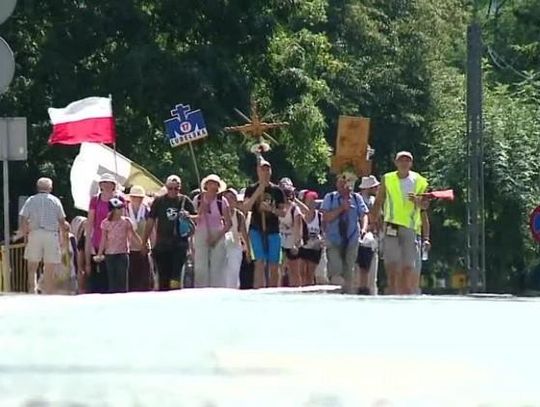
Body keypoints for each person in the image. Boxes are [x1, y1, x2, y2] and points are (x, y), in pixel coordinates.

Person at [371, 151, 428, 295]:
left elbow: (425, 206)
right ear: (396, 163)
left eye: (407, 160)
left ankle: (404, 293)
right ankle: (392, 291)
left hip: (410, 227)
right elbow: (379, 201)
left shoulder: (420, 181)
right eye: (401, 160)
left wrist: (418, 201)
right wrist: (373, 221)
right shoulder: (388, 178)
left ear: (411, 163)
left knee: (408, 266)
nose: (404, 163)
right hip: (391, 225)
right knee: (392, 264)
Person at [141, 175, 196, 291]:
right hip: (162, 245)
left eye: (176, 189)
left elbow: (197, 218)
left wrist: (188, 216)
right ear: (166, 187)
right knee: (163, 278)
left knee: (175, 277)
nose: (173, 191)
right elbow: (150, 221)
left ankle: (174, 298)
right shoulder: (159, 201)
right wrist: (144, 242)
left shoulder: (184, 200)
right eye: (171, 188)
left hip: (179, 245)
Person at [321, 171, 369, 294]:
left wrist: (363, 229)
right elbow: (326, 217)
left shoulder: (357, 198)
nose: (344, 184)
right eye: (341, 181)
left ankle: (347, 295)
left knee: (349, 270)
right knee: (336, 269)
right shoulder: (330, 198)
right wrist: (341, 208)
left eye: (347, 181)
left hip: (352, 238)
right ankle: (336, 294)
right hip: (334, 239)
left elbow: (364, 215)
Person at [242, 157, 286, 288]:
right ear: (258, 171)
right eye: (263, 169)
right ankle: (259, 291)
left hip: (273, 230)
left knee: (274, 264)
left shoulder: (277, 191)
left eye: (268, 169)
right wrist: (258, 191)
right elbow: (245, 208)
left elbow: (283, 212)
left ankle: (274, 290)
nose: (265, 172)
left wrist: (271, 209)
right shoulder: (250, 189)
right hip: (256, 229)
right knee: (259, 263)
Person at [19, 177, 67, 294]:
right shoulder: (55, 201)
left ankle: (32, 290)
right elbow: (62, 220)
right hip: (51, 234)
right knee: (49, 266)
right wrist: (63, 237)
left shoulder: (31, 200)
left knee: (32, 266)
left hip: (35, 233)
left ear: (37, 187)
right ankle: (48, 292)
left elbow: (24, 218)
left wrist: (25, 234)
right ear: (50, 188)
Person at [86, 173, 125, 293]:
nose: (107, 185)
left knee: (115, 279)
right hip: (99, 241)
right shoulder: (95, 200)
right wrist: (89, 240)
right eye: (104, 183)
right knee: (99, 277)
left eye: (110, 183)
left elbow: (123, 219)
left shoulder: (119, 199)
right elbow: (90, 221)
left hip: (115, 243)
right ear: (100, 185)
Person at [192, 174, 232, 287]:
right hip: (201, 231)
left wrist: (217, 237)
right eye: (210, 183)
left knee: (217, 264)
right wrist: (201, 210)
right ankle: (201, 288)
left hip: (218, 233)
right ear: (206, 185)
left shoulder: (222, 201)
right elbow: (195, 218)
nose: (212, 186)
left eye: (215, 184)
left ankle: (217, 288)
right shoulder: (198, 199)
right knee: (200, 264)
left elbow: (228, 223)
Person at [97, 198, 142, 293]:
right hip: (110, 254)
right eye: (118, 208)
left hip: (122, 253)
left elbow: (133, 234)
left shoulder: (126, 221)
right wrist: (100, 253)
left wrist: (142, 244)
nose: (121, 210)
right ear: (112, 210)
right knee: (112, 280)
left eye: (121, 208)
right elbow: (103, 239)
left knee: (122, 279)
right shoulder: (105, 223)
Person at [222, 188, 251, 289]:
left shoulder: (239, 215)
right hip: (221, 246)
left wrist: (248, 250)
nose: (229, 201)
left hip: (235, 246)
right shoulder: (219, 214)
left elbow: (244, 234)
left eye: (232, 198)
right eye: (227, 198)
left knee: (234, 272)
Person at [357, 175, 381, 295]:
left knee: (372, 274)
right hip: (359, 239)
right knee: (358, 273)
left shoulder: (374, 201)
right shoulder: (357, 200)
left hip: (373, 239)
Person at [126, 185, 152, 291]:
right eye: (135, 197)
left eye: (139, 197)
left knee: (144, 278)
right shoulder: (125, 210)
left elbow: (152, 228)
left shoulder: (146, 210)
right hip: (129, 247)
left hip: (143, 246)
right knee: (131, 278)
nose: (137, 200)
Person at [278, 178, 303, 287]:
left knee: (294, 271)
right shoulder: (276, 207)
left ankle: (297, 293)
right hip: (279, 242)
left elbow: (298, 228)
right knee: (279, 270)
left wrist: (296, 245)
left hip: (291, 243)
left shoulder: (294, 209)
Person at [298, 191, 324, 286]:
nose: (311, 203)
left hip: (315, 248)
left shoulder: (319, 216)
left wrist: (322, 240)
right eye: (308, 200)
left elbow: (323, 230)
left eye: (313, 200)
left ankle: (309, 290)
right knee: (302, 272)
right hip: (303, 246)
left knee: (310, 273)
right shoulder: (300, 215)